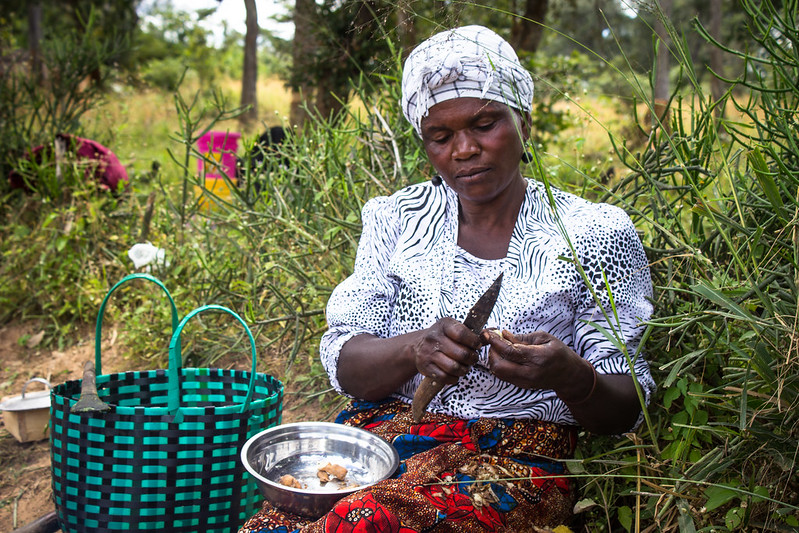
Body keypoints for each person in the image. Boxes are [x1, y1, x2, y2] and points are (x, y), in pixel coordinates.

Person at [239, 25, 654, 533]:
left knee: (366, 523)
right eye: (441, 136)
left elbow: (626, 408)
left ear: (523, 120)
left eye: (484, 124)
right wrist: (413, 348)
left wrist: (567, 375)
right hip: (378, 441)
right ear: (425, 143)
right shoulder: (395, 219)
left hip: (515, 463)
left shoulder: (590, 233)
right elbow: (346, 363)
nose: (463, 150)